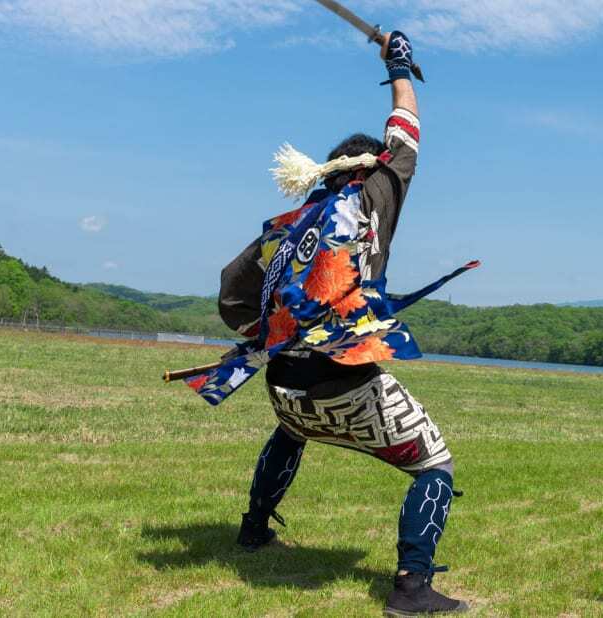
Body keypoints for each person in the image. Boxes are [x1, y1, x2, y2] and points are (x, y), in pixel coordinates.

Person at [202, 30, 471, 615]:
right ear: (373, 170)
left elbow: (230, 291)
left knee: (292, 431)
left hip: (284, 389)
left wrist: (268, 336)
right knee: (435, 465)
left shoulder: (287, 225)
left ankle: (252, 529)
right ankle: (411, 587)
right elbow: (407, 130)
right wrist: (399, 64)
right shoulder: (372, 201)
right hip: (347, 387)